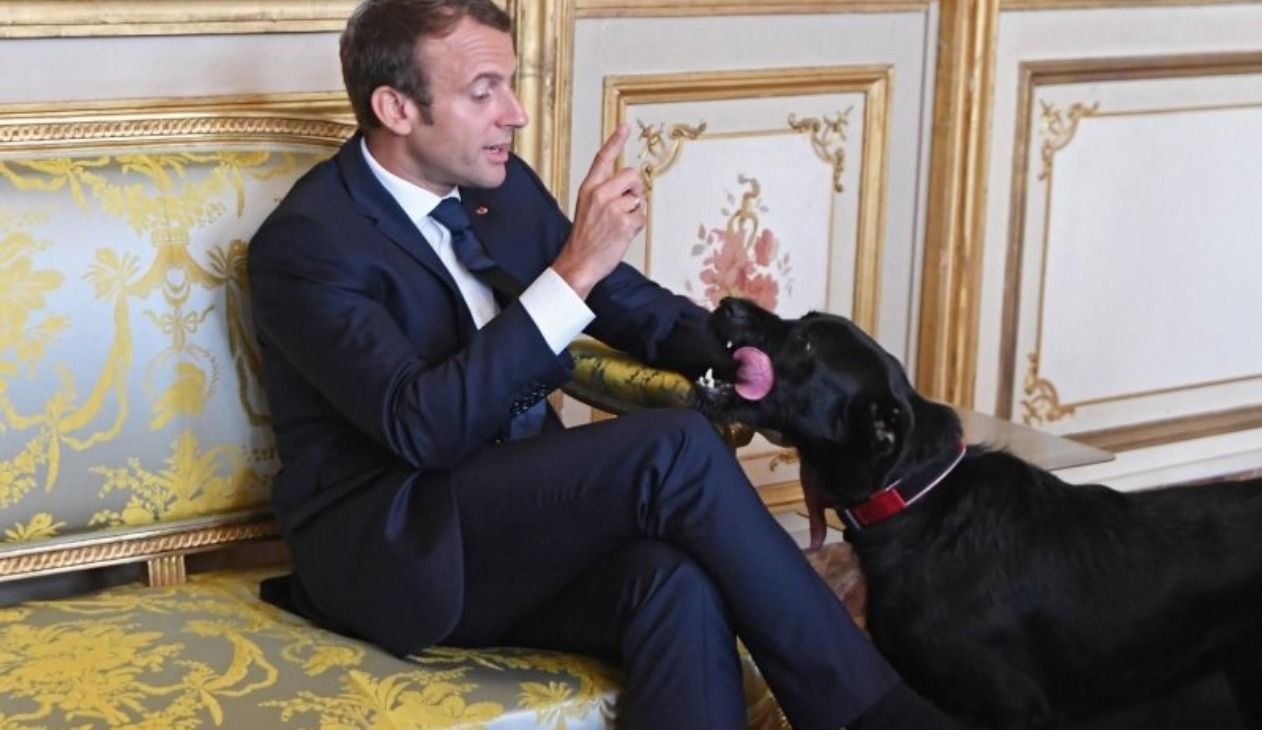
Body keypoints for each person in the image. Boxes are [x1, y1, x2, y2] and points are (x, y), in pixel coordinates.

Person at [248, 1, 965, 728]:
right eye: (484, 90)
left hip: (519, 524)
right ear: (396, 107)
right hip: (399, 545)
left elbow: (631, 307)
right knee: (675, 448)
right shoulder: (309, 245)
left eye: (513, 83)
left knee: (674, 583)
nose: (516, 113)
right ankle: (881, 717)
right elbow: (422, 427)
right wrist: (572, 272)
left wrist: (759, 368)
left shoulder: (503, 188)